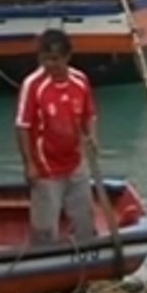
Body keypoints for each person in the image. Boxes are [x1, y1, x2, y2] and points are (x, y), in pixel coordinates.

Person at [14, 29, 99, 245]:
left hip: (75, 163)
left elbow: (90, 115)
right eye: (45, 59)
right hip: (46, 170)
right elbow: (23, 126)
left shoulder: (81, 81)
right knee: (44, 231)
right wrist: (29, 164)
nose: (49, 65)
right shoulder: (32, 85)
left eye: (54, 59)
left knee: (85, 222)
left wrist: (92, 137)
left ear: (66, 58)